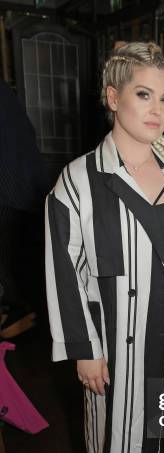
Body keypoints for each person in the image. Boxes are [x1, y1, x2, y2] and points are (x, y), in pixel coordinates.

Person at [45, 42, 164, 453]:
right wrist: (83, 348)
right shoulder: (78, 179)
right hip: (115, 342)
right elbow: (63, 268)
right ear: (112, 97)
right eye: (142, 94)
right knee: (118, 442)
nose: (156, 109)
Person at [0, 79, 49, 338]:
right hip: (28, 185)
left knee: (12, 269)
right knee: (26, 264)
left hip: (9, 191)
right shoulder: (6, 91)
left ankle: (19, 322)